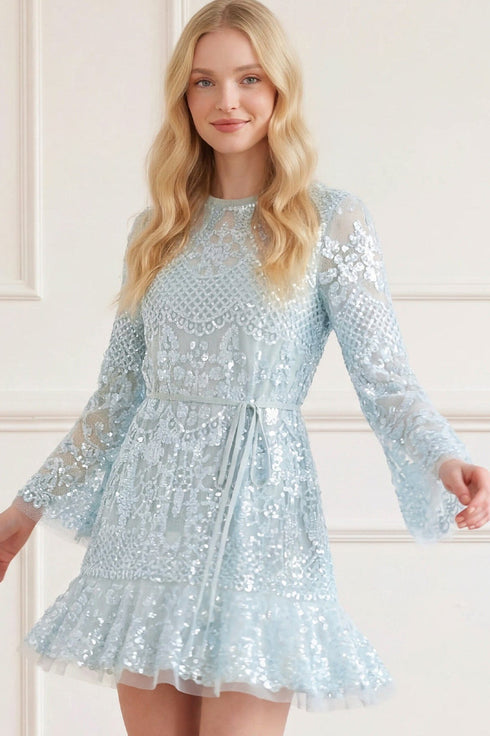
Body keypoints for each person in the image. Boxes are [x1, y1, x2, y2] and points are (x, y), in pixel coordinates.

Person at [1, 1, 489, 734]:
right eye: (204, 81)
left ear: (279, 88)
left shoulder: (330, 221)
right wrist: (22, 513)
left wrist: (444, 455)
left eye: (249, 78)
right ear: (184, 96)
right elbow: (116, 396)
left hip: (263, 523)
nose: (226, 101)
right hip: (150, 526)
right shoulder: (156, 230)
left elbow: (384, 377)